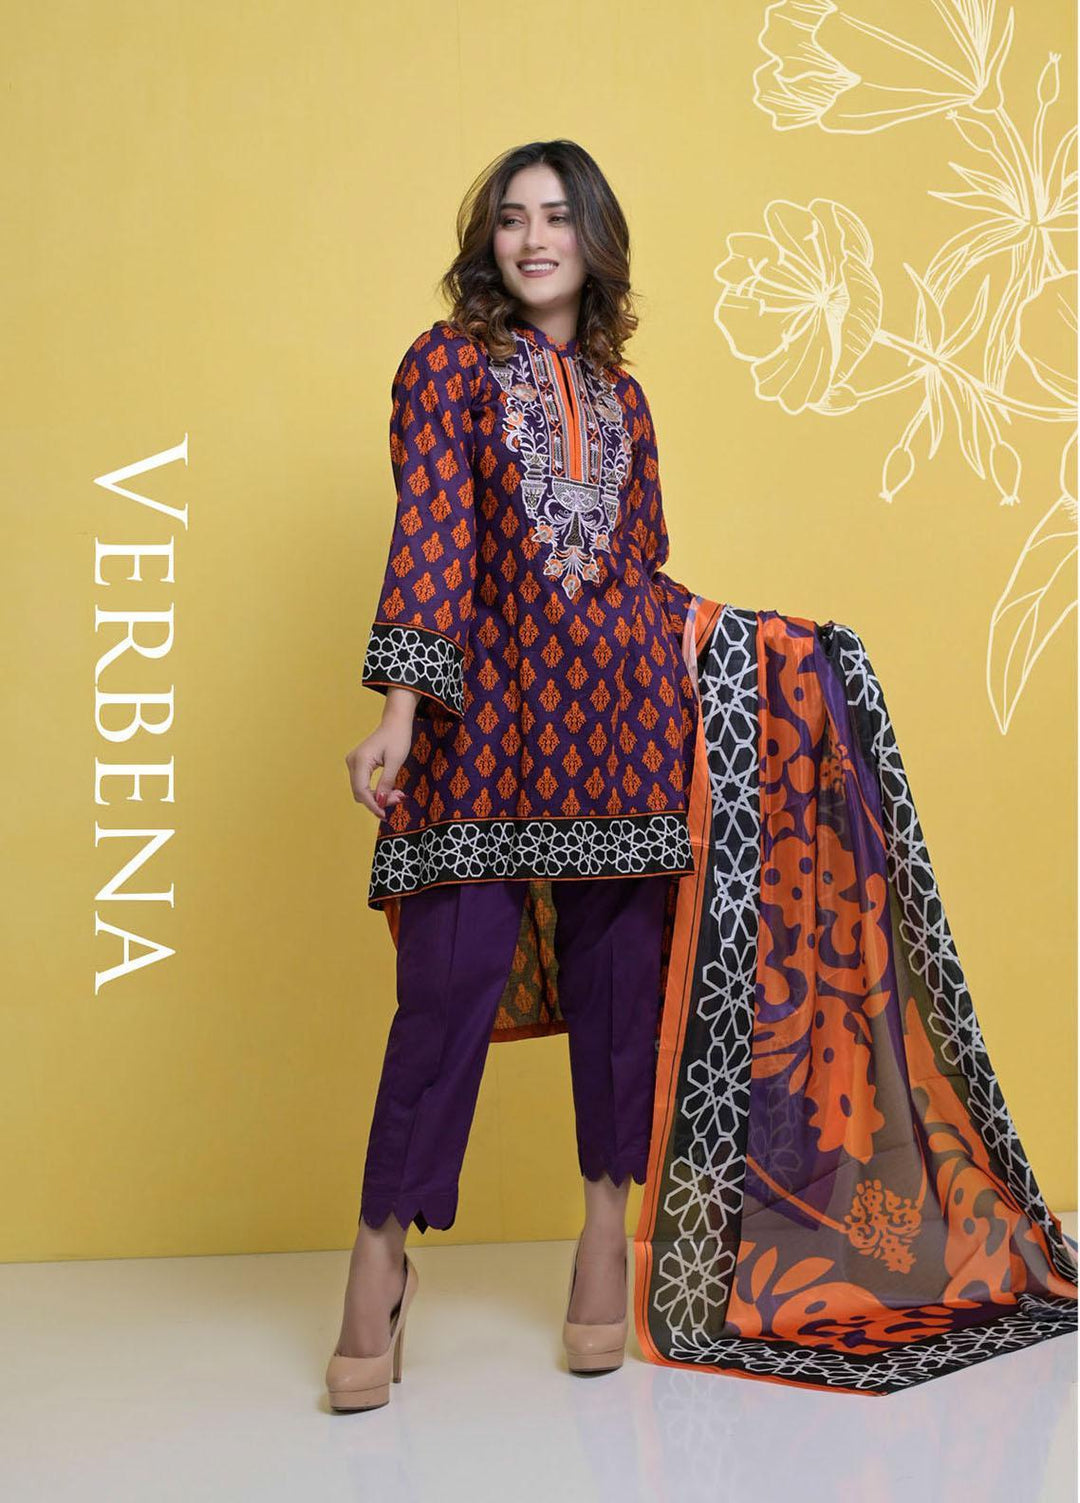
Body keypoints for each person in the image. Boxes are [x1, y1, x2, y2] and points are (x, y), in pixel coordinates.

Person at [326, 139, 700, 1410]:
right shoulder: (445, 366)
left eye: (556, 217)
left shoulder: (625, 398)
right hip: (481, 728)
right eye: (510, 219)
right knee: (444, 987)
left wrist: (742, 659)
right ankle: (380, 1257)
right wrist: (399, 713)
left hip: (623, 730)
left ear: (595, 237)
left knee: (621, 985)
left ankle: (604, 1235)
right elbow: (429, 537)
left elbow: (642, 565)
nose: (533, 239)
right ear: (487, 242)